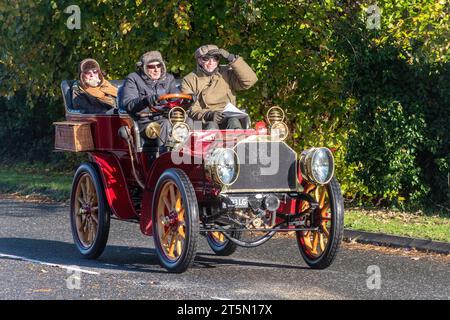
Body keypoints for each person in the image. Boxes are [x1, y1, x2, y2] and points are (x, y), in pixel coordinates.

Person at [181, 44, 258, 129]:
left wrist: (232, 58)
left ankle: (237, 141)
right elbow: (191, 109)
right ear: (199, 60)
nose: (211, 62)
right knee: (211, 126)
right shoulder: (189, 80)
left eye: (215, 58)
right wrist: (208, 115)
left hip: (228, 116)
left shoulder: (227, 72)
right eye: (206, 59)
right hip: (205, 121)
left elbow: (250, 81)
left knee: (234, 122)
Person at [120, 51, 179, 153]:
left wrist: (188, 99)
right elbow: (128, 104)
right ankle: (163, 161)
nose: (156, 70)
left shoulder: (169, 79)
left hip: (166, 117)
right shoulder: (133, 78)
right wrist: (146, 100)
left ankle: (191, 160)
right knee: (165, 124)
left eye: (159, 65)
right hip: (145, 122)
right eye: (151, 67)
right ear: (144, 68)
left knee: (189, 122)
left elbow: (177, 99)